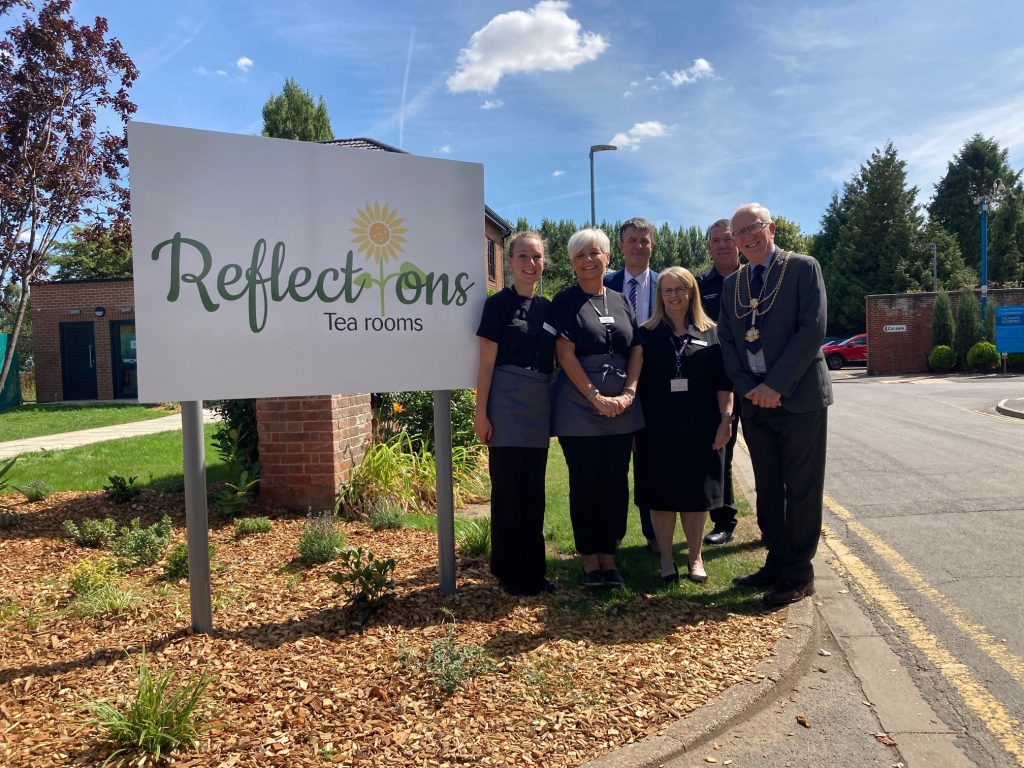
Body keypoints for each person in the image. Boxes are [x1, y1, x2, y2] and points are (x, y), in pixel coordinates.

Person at [718, 203, 833, 607]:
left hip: (799, 398)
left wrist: (775, 385)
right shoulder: (734, 284)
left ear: (772, 227)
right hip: (755, 401)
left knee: (800, 488)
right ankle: (776, 561)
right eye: (738, 234)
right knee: (768, 488)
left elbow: (812, 330)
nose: (746, 238)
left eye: (753, 228)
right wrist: (750, 387)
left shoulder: (803, 267)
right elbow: (728, 341)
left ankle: (799, 574)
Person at [552, 227, 644, 588]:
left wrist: (629, 393)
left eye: (595, 253)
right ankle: (591, 560)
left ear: (608, 257)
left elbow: (636, 348)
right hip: (579, 409)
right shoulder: (564, 300)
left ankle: (610, 555)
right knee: (586, 483)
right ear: (573, 263)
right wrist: (595, 396)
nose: (588, 260)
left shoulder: (621, 301)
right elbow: (564, 352)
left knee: (616, 483)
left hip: (623, 409)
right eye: (580, 255)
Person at [635, 267, 734, 583]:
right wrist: (635, 428)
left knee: (696, 495)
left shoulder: (713, 332)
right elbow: (635, 384)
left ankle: (695, 558)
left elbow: (724, 382)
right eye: (667, 290)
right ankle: (666, 558)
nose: (674, 295)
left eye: (681, 289)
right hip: (656, 428)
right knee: (660, 495)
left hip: (701, 427)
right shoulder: (646, 333)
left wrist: (725, 420)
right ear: (659, 296)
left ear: (692, 293)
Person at [475, 231, 557, 596]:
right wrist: (482, 413)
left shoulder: (549, 308)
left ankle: (534, 570)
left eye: (537, 257)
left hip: (538, 406)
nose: (530, 264)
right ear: (509, 262)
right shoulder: (497, 306)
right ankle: (509, 572)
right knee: (508, 491)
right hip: (505, 406)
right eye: (523, 257)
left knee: (533, 492)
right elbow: (486, 364)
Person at [604, 217, 660, 553]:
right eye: (632, 240)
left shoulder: (667, 283)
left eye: (644, 240)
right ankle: (614, 533)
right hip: (614, 386)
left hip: (657, 389)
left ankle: (653, 533)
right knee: (614, 463)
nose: (638, 246)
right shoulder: (604, 283)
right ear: (621, 246)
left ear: (652, 245)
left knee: (650, 463)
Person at [698, 219, 744, 547]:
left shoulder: (757, 278)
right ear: (709, 247)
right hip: (717, 382)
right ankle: (724, 521)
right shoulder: (700, 285)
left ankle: (776, 522)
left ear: (738, 242)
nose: (723, 245)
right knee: (720, 450)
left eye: (729, 239)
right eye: (716, 240)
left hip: (758, 380)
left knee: (768, 453)